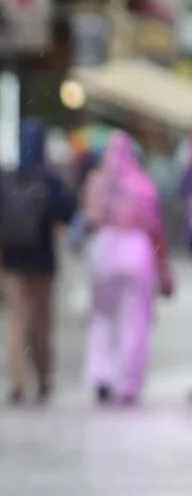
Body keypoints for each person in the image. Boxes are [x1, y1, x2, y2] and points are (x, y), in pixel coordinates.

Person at [0, 118, 78, 405]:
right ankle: (44, 377)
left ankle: (17, 381)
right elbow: (68, 214)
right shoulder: (49, 180)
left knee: (15, 321)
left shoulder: (4, 178)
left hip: (11, 259)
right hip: (42, 260)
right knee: (41, 322)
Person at [82, 131, 173, 406]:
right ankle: (129, 382)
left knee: (102, 318)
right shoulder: (142, 184)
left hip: (103, 249)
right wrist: (163, 268)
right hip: (135, 249)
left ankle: (102, 374)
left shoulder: (97, 182)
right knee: (135, 320)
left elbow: (88, 220)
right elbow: (155, 228)